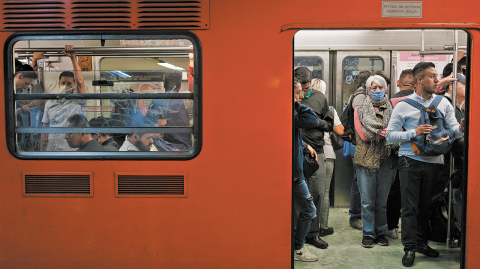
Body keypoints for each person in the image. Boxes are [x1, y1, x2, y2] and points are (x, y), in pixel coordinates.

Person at [386, 62, 464, 267]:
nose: (437, 79)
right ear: (420, 80)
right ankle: (409, 247)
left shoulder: (444, 103)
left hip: (436, 161)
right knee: (410, 207)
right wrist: (415, 132)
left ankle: (421, 242)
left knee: (427, 206)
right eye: (432, 76)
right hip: (410, 161)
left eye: (436, 75)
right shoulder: (403, 105)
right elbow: (390, 135)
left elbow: (454, 129)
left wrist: (461, 129)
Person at [353, 75, 394, 248]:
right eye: (373, 88)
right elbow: (363, 135)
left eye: (381, 87)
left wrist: (388, 133)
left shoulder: (392, 108)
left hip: (387, 161)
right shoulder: (359, 109)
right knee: (367, 201)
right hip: (366, 161)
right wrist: (384, 132)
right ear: (368, 90)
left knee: (382, 202)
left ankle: (380, 232)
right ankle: (368, 233)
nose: (377, 91)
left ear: (385, 89)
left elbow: (396, 131)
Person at [294, 67, 332, 249]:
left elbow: (329, 123)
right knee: (296, 198)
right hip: (294, 152)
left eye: (307, 88)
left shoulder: (319, 98)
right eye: (301, 89)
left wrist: (316, 123)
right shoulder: (289, 96)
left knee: (317, 193)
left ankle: (312, 234)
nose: (304, 93)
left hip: (316, 150)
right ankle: (295, 236)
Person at [292, 77, 320, 262]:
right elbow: (313, 120)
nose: (302, 96)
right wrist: (295, 103)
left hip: (296, 171)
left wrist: (304, 145)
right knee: (309, 210)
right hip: (295, 174)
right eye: (298, 92)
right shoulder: (292, 112)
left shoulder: (291, 114)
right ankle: (298, 248)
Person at [385, 69, 415, 239]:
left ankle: (391, 227)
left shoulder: (390, 102)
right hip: (415, 152)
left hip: (394, 151)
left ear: (398, 83)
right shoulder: (420, 101)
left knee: (394, 189)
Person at [41, 45, 87, 151]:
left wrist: (73, 58)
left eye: (70, 83)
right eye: (63, 83)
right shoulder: (50, 103)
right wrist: (41, 151)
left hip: (72, 149)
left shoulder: (79, 101)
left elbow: (80, 82)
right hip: (52, 149)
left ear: (74, 85)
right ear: (59, 84)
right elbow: (45, 129)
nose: (66, 86)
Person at [311, 78, 339, 237]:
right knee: (325, 192)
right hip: (327, 153)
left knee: (310, 191)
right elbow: (340, 130)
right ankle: (323, 227)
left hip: (309, 153)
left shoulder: (304, 106)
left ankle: (309, 227)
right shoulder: (330, 109)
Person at [348, 70, 371, 230]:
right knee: (359, 181)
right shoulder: (360, 96)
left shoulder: (357, 94)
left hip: (361, 144)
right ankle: (356, 215)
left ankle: (359, 214)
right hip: (361, 144)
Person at [162, 71, 192, 151]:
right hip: (186, 150)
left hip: (164, 149)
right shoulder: (187, 101)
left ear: (164, 83)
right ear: (180, 85)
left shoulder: (157, 101)